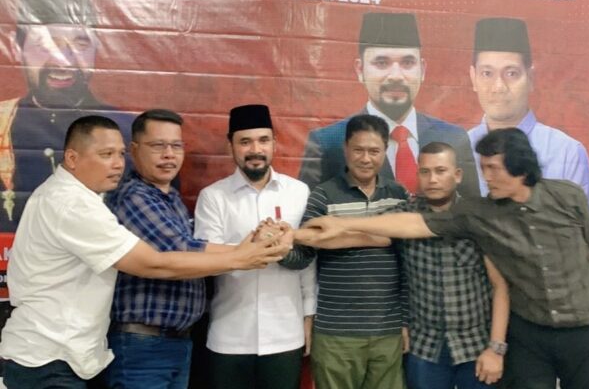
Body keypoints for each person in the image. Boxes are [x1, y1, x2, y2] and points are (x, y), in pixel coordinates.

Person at [304, 128, 589, 389]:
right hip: (502, 338)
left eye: (493, 168)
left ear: (519, 166)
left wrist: (495, 348)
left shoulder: (567, 196)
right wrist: (337, 225)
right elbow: (410, 224)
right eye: (425, 171)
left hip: (574, 329)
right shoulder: (479, 213)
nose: (486, 177)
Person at [0, 115, 291, 388]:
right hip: (49, 357)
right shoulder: (72, 204)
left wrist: (244, 250)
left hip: (66, 354)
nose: (117, 164)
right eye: (106, 155)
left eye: (119, 154)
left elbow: (179, 248)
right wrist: (241, 257)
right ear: (73, 158)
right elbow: (154, 263)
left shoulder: (81, 198)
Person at [193, 104, 316, 389]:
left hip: (286, 333)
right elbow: (207, 261)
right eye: (245, 142)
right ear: (231, 147)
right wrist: (258, 245)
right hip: (229, 334)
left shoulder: (298, 192)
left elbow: (309, 260)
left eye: (263, 140)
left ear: (274, 143)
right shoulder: (213, 197)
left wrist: (309, 315)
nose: (255, 150)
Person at [284, 114, 409, 389]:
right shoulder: (323, 195)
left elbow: (409, 263)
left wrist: (405, 321)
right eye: (358, 150)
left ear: (385, 150)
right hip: (336, 334)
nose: (366, 159)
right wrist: (278, 247)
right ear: (345, 149)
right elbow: (302, 256)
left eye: (374, 151)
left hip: (387, 331)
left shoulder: (399, 195)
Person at [299, 12, 479, 197]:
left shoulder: (453, 138)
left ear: (423, 70)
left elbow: (472, 207)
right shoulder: (328, 142)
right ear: (360, 69)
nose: (396, 76)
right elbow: (312, 212)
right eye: (382, 63)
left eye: (407, 63)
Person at [0, 0, 133, 232]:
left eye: (80, 44)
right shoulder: (3, 122)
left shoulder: (128, 130)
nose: (63, 61)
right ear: (17, 48)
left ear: (97, 48)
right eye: (46, 44)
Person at [102, 109, 215, 388]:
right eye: (158, 146)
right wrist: (249, 253)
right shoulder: (132, 196)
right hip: (142, 346)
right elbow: (181, 251)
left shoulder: (172, 197)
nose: (169, 155)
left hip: (176, 343)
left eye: (176, 146)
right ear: (134, 150)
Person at [468, 17, 589, 223]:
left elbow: (587, 232)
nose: (498, 87)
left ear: (530, 78)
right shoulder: (459, 147)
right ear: (473, 77)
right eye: (487, 73)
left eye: (511, 73)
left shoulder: (566, 151)